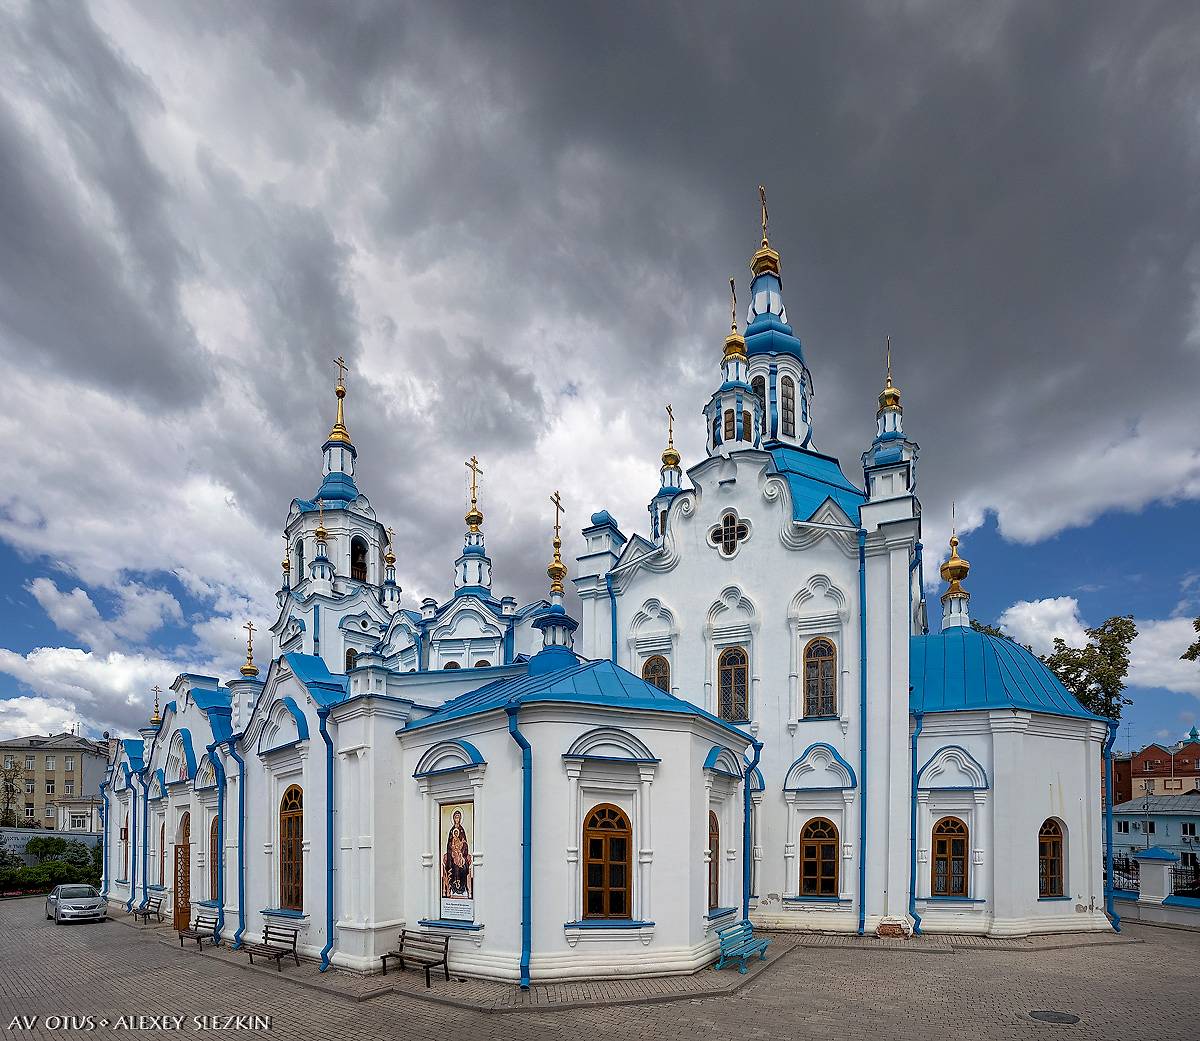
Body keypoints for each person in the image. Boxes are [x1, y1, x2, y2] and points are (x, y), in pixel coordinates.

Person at [441, 808, 472, 898]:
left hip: (461, 855)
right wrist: (453, 850)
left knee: (463, 866)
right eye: (455, 817)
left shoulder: (462, 830)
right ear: (453, 818)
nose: (457, 819)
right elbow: (449, 844)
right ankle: (453, 888)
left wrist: (462, 853)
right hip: (452, 855)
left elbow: (465, 844)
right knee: (452, 865)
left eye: (458, 817)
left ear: (460, 818)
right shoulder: (451, 831)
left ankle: (462, 888)